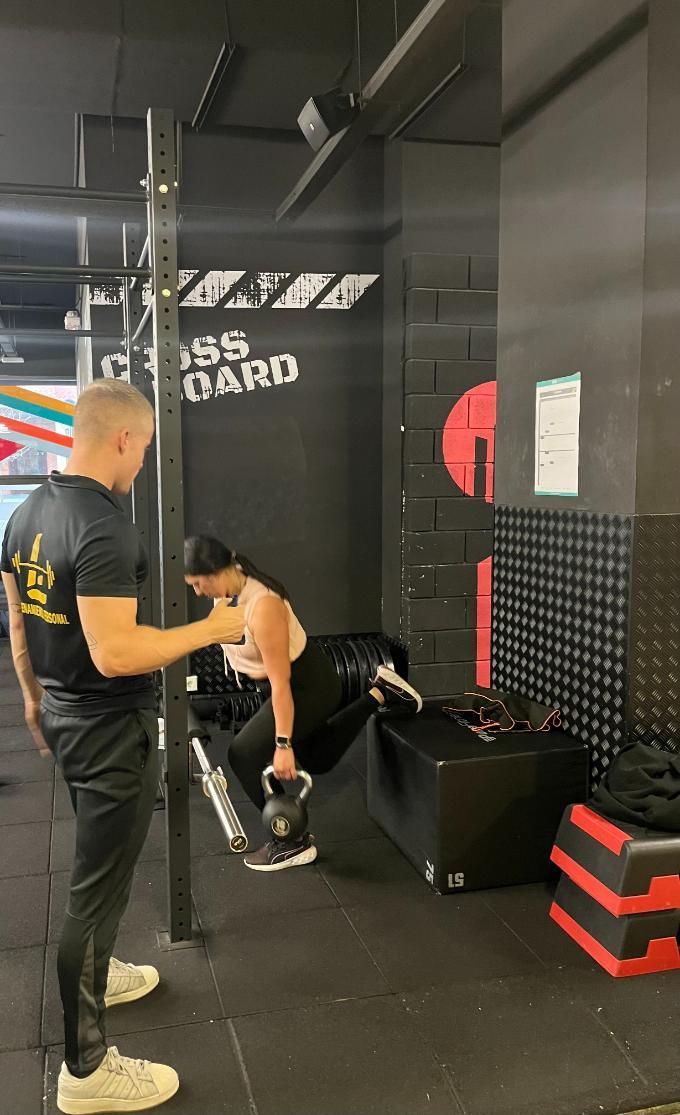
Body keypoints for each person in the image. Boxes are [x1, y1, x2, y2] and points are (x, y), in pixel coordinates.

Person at [1, 380, 245, 1115]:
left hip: (65, 716)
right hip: (109, 732)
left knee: (97, 870)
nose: (142, 463)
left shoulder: (26, 512)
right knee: (94, 891)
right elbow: (114, 652)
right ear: (123, 439)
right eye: (143, 449)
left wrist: (34, 699)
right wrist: (211, 629)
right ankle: (86, 1071)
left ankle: (99, 976)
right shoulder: (105, 527)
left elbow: (19, 622)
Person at [184, 535, 423, 872]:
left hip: (305, 686)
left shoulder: (263, 606)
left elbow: (282, 684)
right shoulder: (228, 589)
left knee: (243, 754)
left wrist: (282, 744)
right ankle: (380, 692)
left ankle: (289, 840)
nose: (197, 592)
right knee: (317, 758)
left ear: (218, 570)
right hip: (292, 684)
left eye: (198, 583)